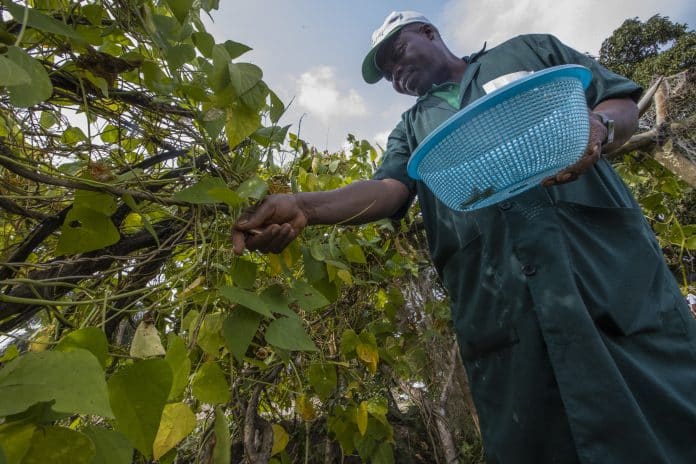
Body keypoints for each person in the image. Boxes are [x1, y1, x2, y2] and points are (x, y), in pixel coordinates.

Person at [233, 11, 696, 463]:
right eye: (386, 75)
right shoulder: (412, 127)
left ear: (429, 32)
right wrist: (305, 206)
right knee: (541, 435)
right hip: (503, 313)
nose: (395, 76)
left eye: (396, 55)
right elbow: (391, 191)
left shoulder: (529, 51)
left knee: (671, 418)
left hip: (608, 276)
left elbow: (615, 99)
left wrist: (599, 127)